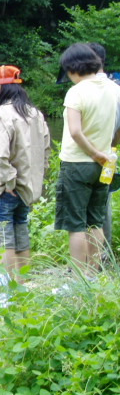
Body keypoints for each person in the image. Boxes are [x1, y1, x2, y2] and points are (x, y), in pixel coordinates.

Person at [0, 65, 51, 279]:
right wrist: (34, 180)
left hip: (6, 189)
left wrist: (9, 183)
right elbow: (45, 151)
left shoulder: (2, 114)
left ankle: (9, 290)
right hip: (28, 188)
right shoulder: (35, 113)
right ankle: (24, 286)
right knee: (21, 235)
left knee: (4, 240)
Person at [55, 43, 120, 277]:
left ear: (73, 68)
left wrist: (93, 153)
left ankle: (79, 279)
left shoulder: (77, 91)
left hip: (77, 164)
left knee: (75, 225)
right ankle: (93, 275)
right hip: (105, 165)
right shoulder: (114, 89)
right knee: (95, 221)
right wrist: (106, 150)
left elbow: (75, 131)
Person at [87, 43, 120, 255]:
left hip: (86, 156)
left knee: (85, 210)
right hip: (109, 154)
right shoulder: (117, 88)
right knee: (103, 203)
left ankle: (86, 263)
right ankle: (104, 256)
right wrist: (112, 147)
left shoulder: (86, 89)